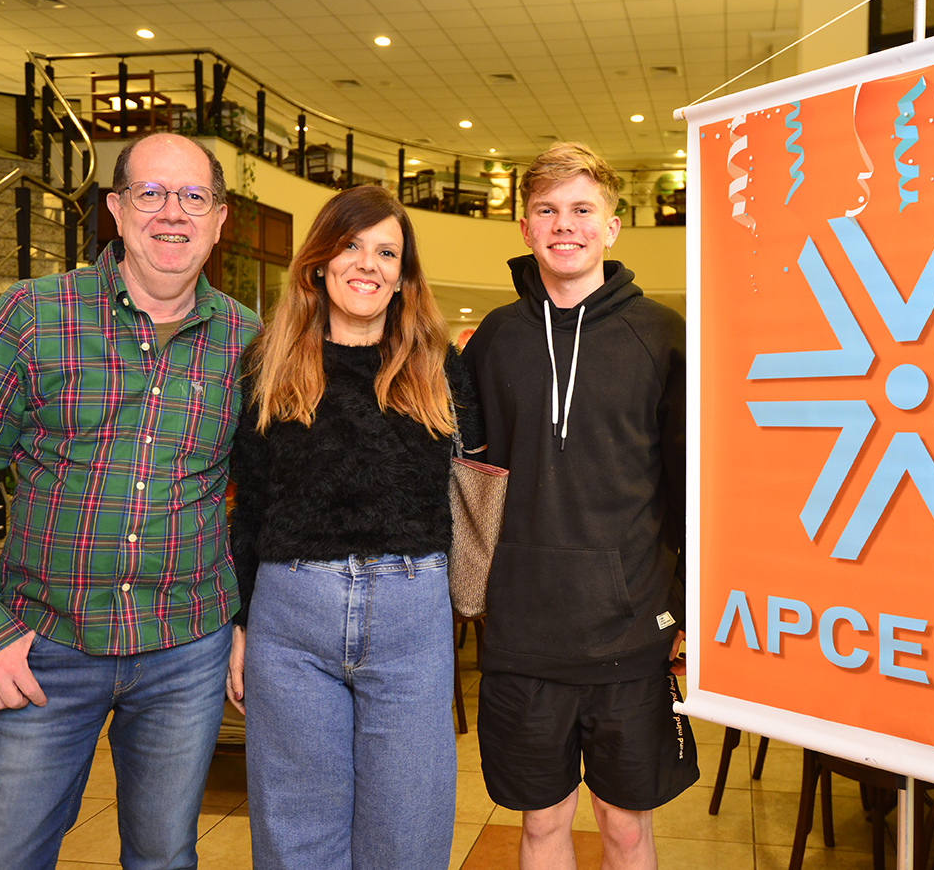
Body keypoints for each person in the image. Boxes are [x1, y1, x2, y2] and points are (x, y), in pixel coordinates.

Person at [0, 132, 259, 868]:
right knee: (3, 854)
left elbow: (264, 500)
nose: (173, 212)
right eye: (150, 193)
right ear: (116, 209)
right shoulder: (33, 315)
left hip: (186, 650)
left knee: (164, 856)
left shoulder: (249, 341)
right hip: (43, 646)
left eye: (194, 196)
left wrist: (245, 618)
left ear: (219, 219)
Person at [225, 184, 480, 869]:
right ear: (319, 260)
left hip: (411, 618)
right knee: (295, 834)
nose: (368, 263)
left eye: (386, 252)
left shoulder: (438, 367)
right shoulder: (269, 362)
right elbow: (251, 503)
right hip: (290, 618)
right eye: (351, 245)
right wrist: (241, 623)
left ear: (403, 275)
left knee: (409, 830)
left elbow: (479, 483)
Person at [462, 142, 697, 870]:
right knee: (541, 826)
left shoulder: (660, 335)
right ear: (525, 227)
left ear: (612, 226)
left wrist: (685, 610)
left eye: (581, 209)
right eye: (547, 210)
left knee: (624, 828)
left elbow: (688, 488)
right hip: (522, 634)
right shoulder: (494, 339)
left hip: (632, 633)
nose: (565, 225)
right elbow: (466, 481)